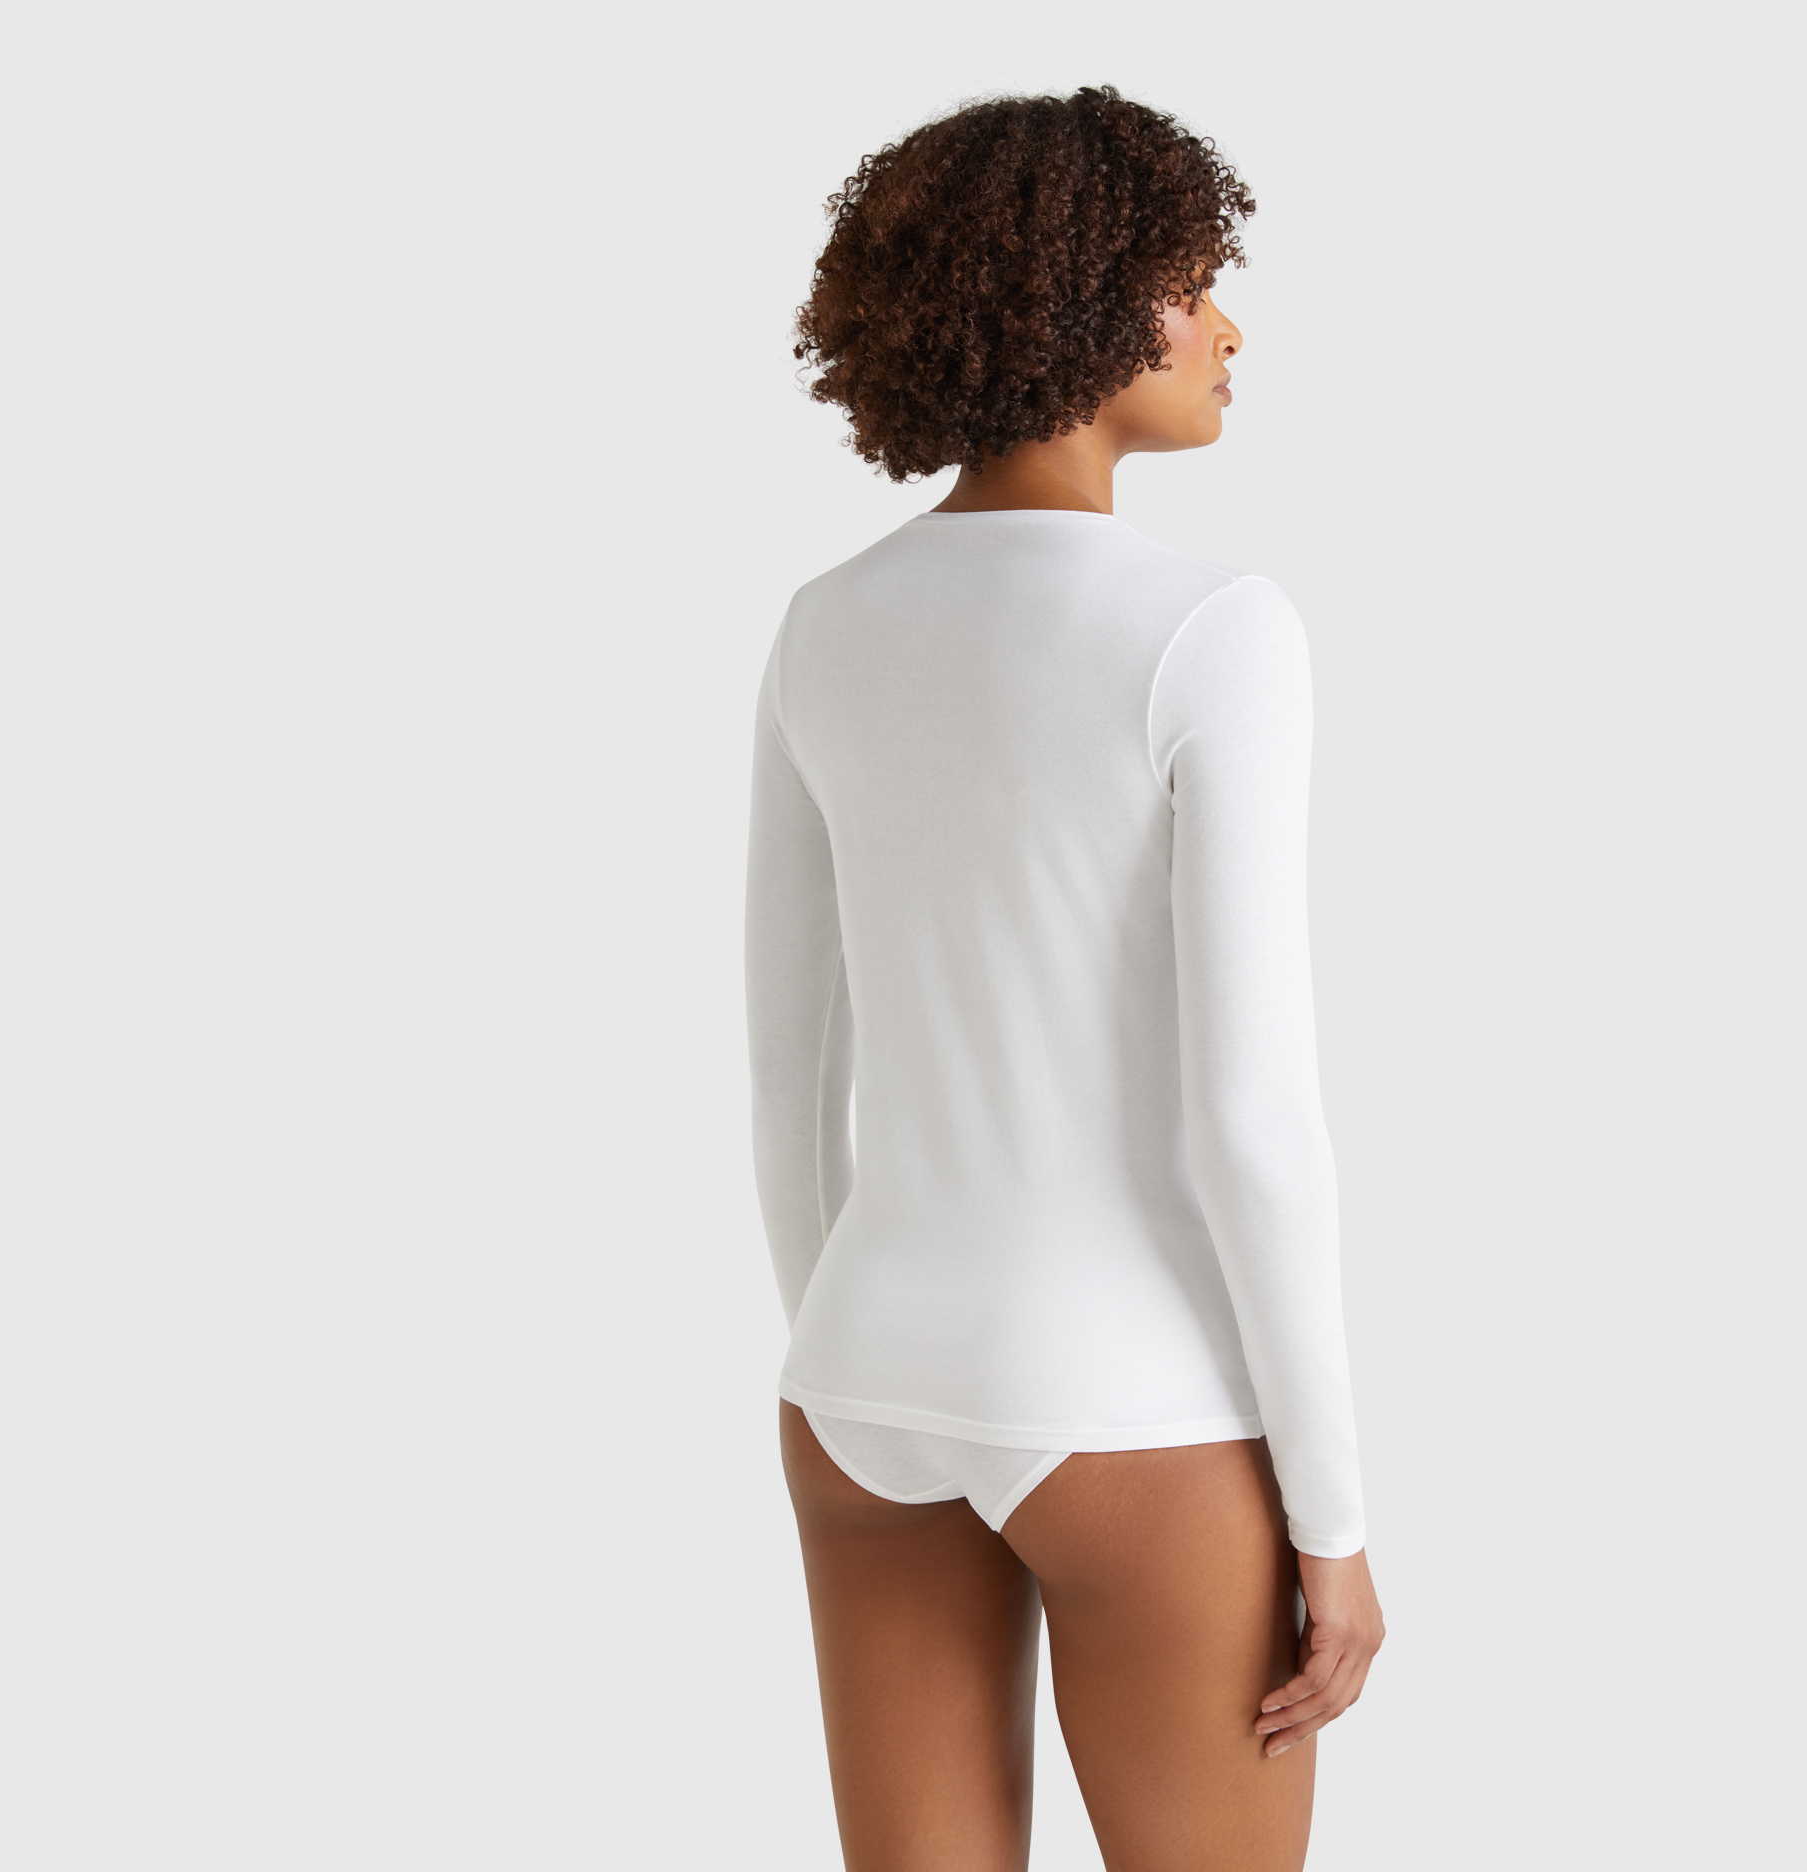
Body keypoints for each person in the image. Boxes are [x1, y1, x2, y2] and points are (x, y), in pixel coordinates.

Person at [746, 87, 1383, 1872]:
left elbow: (788, 1072)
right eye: (1195, 282)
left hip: (859, 1386)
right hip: (1130, 1404)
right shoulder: (1214, 631)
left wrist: (864, 1342)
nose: (1231, 327)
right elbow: (1253, 1120)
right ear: (1084, 301)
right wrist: (1333, 1523)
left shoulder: (826, 621)